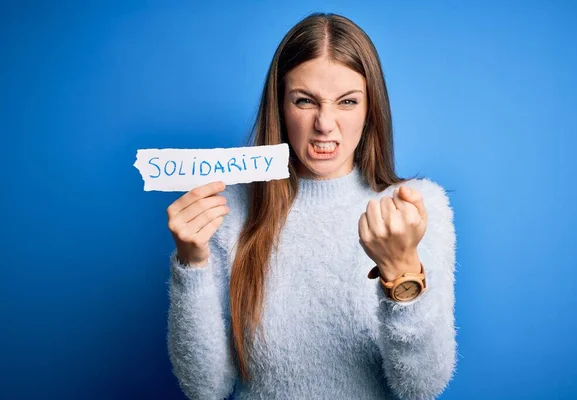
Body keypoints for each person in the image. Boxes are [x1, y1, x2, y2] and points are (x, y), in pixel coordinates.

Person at [165, 12, 457, 400]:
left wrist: (402, 272)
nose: (325, 124)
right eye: (305, 101)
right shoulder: (228, 209)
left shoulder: (416, 211)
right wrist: (190, 263)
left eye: (347, 102)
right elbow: (205, 388)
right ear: (281, 108)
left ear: (371, 110)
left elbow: (422, 387)